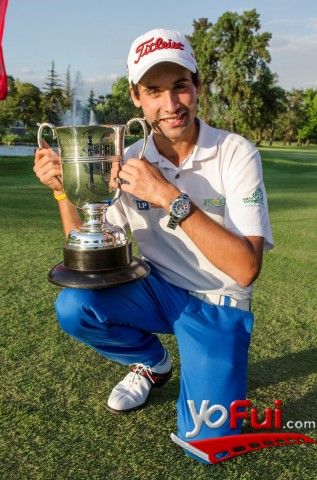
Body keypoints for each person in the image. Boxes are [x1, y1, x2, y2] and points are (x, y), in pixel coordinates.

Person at [33, 28, 274, 462]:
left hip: (218, 303)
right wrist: (64, 191)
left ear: (197, 85)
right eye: (154, 91)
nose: (170, 104)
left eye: (180, 86)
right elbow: (87, 255)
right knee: (75, 305)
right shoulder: (124, 158)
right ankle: (153, 361)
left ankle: (204, 367)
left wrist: (168, 196)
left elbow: (245, 268)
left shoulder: (235, 152)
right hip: (157, 290)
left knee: (208, 444)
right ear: (136, 98)